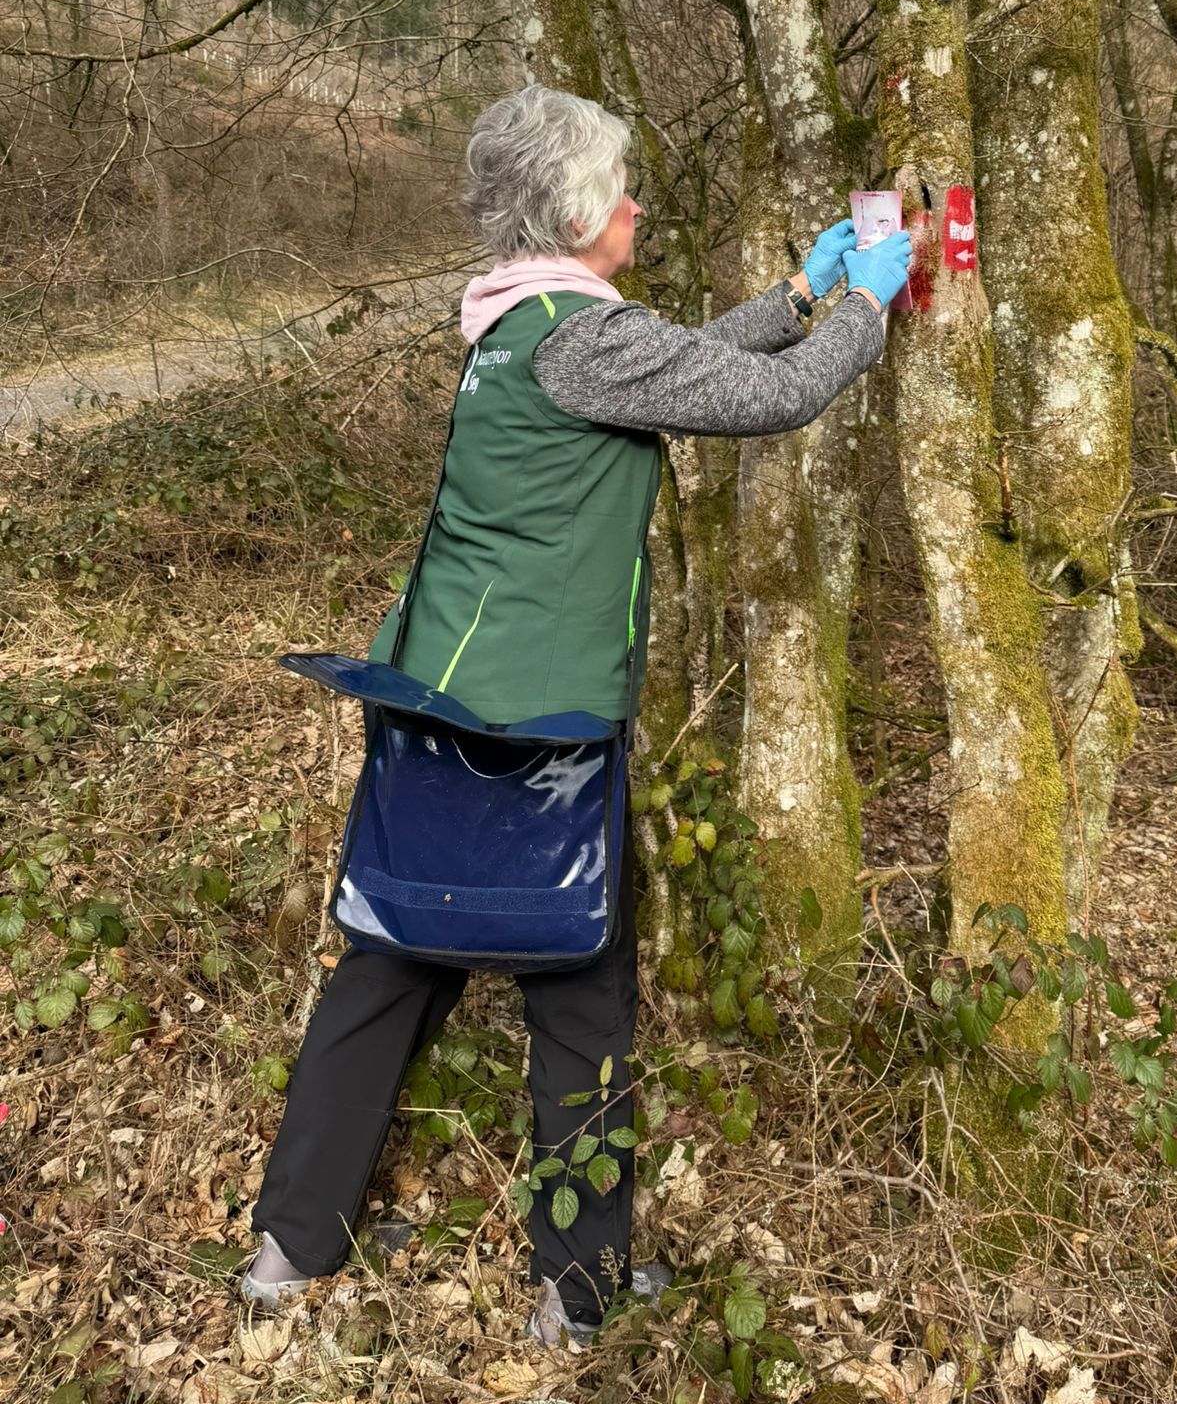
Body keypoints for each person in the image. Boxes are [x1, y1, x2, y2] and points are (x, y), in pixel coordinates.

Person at [238, 84, 912, 1344]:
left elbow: (682, 366)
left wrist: (801, 297)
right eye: (624, 186)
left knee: (394, 961)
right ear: (580, 209)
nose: (641, 204)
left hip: (446, 698)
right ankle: (578, 1291)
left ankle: (290, 1245)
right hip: (535, 724)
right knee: (583, 984)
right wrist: (869, 299)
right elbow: (764, 398)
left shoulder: (527, 326)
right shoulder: (580, 337)